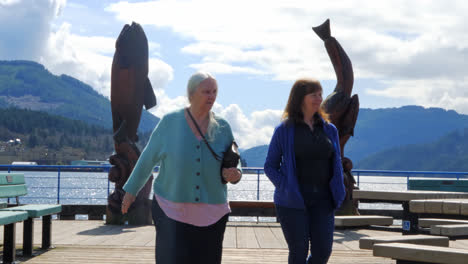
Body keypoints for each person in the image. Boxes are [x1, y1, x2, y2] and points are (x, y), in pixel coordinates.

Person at [121, 71, 242, 264]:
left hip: (213, 212)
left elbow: (235, 158)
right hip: (172, 209)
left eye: (214, 91)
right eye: (206, 92)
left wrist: (236, 174)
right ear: (192, 94)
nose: (211, 96)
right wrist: (131, 191)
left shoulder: (223, 126)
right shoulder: (170, 122)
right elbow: (148, 158)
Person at [264, 78, 346, 264]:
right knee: (298, 251)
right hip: (292, 201)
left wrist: (339, 187)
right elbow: (270, 166)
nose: (319, 99)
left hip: (324, 200)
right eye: (314, 95)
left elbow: (336, 162)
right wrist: (285, 186)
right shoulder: (284, 130)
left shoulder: (329, 129)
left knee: (323, 252)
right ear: (300, 98)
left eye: (320, 94)